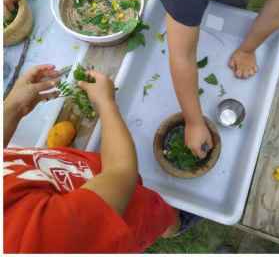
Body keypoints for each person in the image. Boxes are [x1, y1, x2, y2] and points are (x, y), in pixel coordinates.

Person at [4, 65, 195, 252]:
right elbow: (120, 173)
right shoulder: (31, 241)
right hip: (128, 216)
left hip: (93, 176)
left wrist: (13, 108)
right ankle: (175, 224)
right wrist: (105, 103)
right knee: (157, 216)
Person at [162, 0, 279, 158]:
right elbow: (182, 55)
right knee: (201, 1)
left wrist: (248, 49)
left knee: (232, 2)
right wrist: (194, 122)